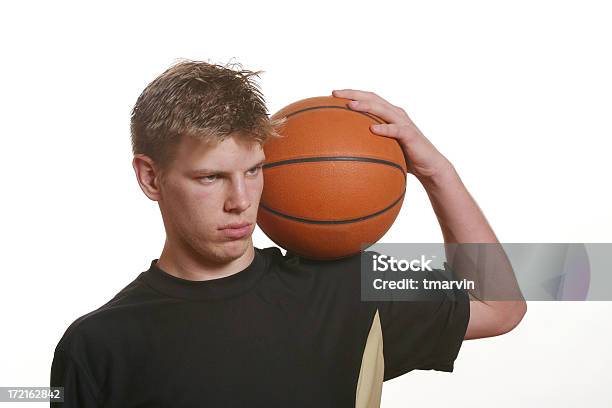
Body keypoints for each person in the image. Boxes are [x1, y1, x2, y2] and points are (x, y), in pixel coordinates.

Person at [50, 60, 527, 407]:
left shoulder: (347, 283)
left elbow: (501, 305)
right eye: (211, 177)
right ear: (151, 178)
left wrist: (435, 170)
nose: (241, 201)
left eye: (254, 170)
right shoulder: (97, 344)